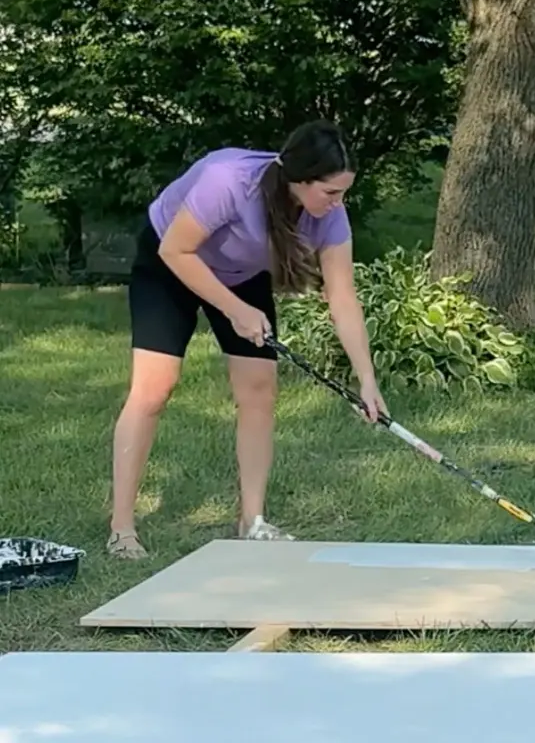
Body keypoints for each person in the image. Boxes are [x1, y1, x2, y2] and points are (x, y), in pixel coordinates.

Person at [108, 119, 387, 558]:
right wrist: (235, 310)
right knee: (154, 389)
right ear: (299, 178)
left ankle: (251, 521)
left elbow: (343, 298)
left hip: (240, 275)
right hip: (171, 262)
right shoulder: (230, 181)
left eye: (344, 193)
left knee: (259, 389)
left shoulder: (328, 218)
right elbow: (175, 251)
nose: (338, 204)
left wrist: (366, 379)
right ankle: (121, 528)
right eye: (331, 192)